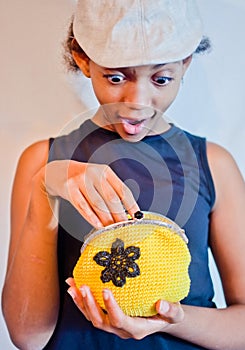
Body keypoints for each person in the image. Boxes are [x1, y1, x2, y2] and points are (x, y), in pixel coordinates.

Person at [2, 0, 245, 349]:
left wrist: (174, 320)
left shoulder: (213, 164)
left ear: (186, 63)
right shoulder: (42, 160)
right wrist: (45, 188)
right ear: (83, 59)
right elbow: (27, 336)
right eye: (116, 77)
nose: (138, 101)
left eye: (161, 78)